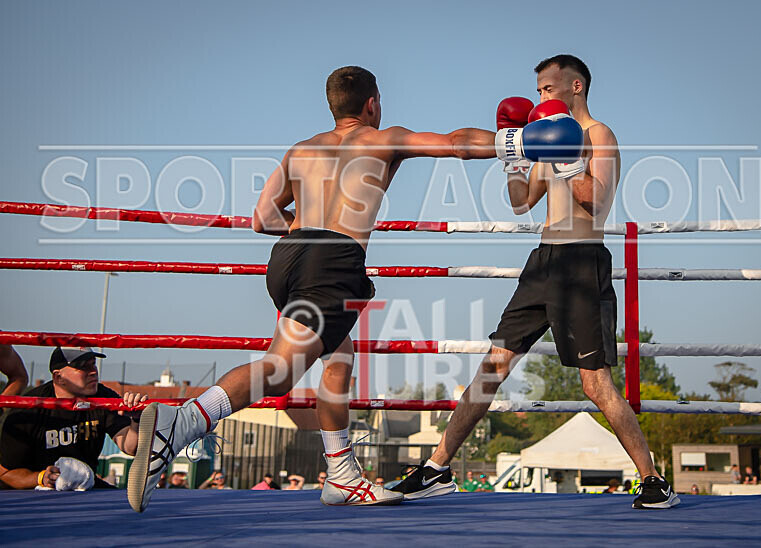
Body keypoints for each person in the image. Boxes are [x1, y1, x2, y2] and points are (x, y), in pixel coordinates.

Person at [126, 65, 497, 512]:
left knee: (338, 360)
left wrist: (307, 230)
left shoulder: (301, 150)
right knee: (281, 368)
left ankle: (341, 475)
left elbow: (263, 217)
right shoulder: (383, 139)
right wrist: (519, 143)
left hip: (288, 258)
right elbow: (456, 144)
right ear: (372, 104)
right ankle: (183, 420)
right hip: (332, 263)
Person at [391, 54, 680, 510]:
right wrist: (513, 160)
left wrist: (566, 158)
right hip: (541, 263)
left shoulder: (598, 134)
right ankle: (438, 467)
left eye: (549, 87)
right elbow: (521, 203)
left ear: (576, 86)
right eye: (540, 89)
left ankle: (653, 480)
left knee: (595, 383)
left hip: (582, 263)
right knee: (492, 367)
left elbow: (596, 200)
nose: (541, 96)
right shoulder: (544, 137)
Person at [0, 347, 145, 489]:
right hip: (35, 494)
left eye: (93, 363)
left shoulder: (103, 397)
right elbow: (5, 473)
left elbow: (130, 447)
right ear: (58, 377)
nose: (93, 371)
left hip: (85, 486)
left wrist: (136, 420)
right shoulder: (29, 409)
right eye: (83, 367)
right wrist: (41, 477)